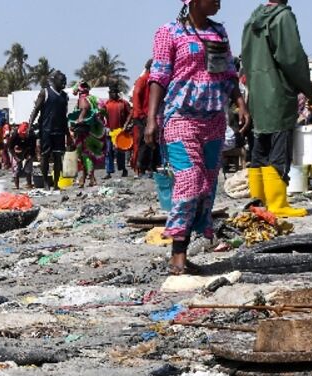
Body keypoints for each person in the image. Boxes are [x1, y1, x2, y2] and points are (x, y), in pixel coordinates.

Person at [146, 0, 248, 275]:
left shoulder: (218, 32)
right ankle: (178, 254)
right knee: (189, 181)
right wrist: (151, 119)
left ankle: (184, 248)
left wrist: (240, 103)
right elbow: (159, 76)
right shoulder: (169, 32)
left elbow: (228, 72)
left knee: (205, 187)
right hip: (180, 117)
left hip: (213, 121)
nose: (218, 1)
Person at [241, 0, 312, 218]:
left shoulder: (252, 19)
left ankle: (258, 202)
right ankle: (278, 203)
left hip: (257, 93)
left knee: (260, 148)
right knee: (279, 147)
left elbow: (245, 57)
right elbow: (292, 58)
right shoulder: (283, 17)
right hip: (279, 93)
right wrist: (309, 91)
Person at [29, 72, 70, 189]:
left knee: (58, 157)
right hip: (46, 130)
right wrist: (30, 125)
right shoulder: (45, 92)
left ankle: (56, 183)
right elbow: (36, 110)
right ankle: (46, 182)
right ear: (55, 80)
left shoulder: (64, 96)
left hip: (59, 131)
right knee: (45, 156)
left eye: (65, 81)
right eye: (62, 81)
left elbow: (64, 117)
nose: (64, 83)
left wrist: (68, 134)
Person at [69, 83, 105, 187]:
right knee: (89, 154)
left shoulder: (83, 99)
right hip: (95, 132)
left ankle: (90, 177)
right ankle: (85, 177)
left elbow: (85, 108)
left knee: (85, 154)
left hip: (85, 131)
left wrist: (79, 120)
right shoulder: (93, 98)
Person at [129, 60, 158, 175]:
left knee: (151, 142)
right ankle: (141, 168)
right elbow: (136, 97)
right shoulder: (143, 80)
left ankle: (150, 167)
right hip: (143, 117)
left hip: (148, 116)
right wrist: (141, 115)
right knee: (143, 142)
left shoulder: (150, 80)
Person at [103, 87, 132, 178]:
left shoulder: (123, 103)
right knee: (108, 151)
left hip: (120, 131)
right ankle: (108, 172)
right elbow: (101, 115)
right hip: (109, 131)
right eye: (111, 92)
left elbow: (131, 113)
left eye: (114, 92)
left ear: (117, 93)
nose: (112, 94)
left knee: (120, 151)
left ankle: (123, 169)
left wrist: (126, 125)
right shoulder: (106, 104)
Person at [8, 123, 35, 189]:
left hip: (28, 150)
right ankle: (16, 186)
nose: (23, 136)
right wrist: (16, 157)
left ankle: (29, 184)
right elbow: (10, 148)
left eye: (24, 134)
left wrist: (29, 155)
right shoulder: (14, 135)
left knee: (28, 168)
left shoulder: (31, 135)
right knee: (16, 168)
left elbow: (33, 147)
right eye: (21, 134)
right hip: (16, 151)